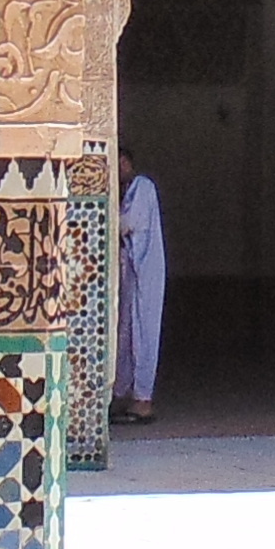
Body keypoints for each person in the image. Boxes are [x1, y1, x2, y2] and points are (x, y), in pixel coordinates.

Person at [113, 160, 166, 423]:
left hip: (146, 272)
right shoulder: (125, 192)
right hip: (131, 273)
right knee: (126, 332)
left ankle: (143, 400)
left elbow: (128, 224)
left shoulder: (142, 187)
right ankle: (123, 394)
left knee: (143, 333)